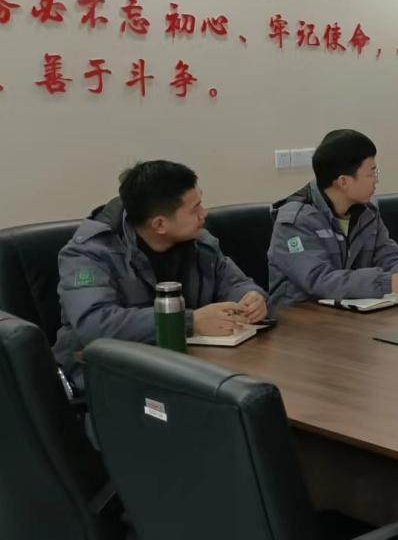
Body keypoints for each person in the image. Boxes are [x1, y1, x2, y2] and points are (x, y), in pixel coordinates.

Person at [53, 160, 266, 391]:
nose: (204, 214)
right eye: (195, 209)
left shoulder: (199, 243)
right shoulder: (88, 254)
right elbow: (96, 324)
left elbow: (235, 283)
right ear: (160, 224)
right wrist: (190, 321)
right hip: (106, 379)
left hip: (184, 367)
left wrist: (251, 298)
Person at [268, 129, 398, 308]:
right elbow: (319, 280)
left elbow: (387, 256)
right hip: (300, 317)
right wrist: (387, 282)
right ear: (343, 181)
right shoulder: (295, 221)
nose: (376, 181)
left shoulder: (367, 213)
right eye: (371, 174)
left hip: (349, 313)